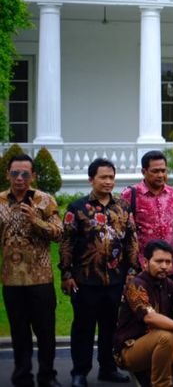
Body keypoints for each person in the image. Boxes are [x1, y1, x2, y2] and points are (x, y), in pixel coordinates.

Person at [60, 158, 140, 387]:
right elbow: (67, 243)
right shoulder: (77, 208)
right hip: (85, 280)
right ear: (91, 179)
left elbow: (131, 240)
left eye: (111, 177)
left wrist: (133, 271)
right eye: (103, 177)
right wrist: (66, 274)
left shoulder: (122, 207)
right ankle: (80, 372)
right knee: (83, 328)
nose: (108, 182)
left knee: (111, 327)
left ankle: (108, 368)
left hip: (116, 280)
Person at [1, 154, 63, 387]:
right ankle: (22, 376)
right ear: (7, 174)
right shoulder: (0, 201)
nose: (19, 178)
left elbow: (59, 233)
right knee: (19, 333)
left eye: (25, 174)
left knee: (46, 332)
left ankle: (48, 375)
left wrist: (36, 220)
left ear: (33, 176)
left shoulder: (45, 201)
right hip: (11, 279)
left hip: (40, 278)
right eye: (15, 173)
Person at [113, 240, 173, 387]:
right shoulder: (136, 285)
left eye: (168, 262)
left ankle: (147, 374)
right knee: (166, 336)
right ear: (145, 262)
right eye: (159, 261)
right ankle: (161, 383)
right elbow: (150, 317)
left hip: (158, 345)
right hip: (130, 349)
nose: (164, 266)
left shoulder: (165, 282)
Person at [121, 151, 173, 281]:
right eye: (155, 171)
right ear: (144, 171)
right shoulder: (130, 194)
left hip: (170, 266)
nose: (160, 175)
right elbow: (123, 231)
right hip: (143, 267)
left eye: (163, 171)